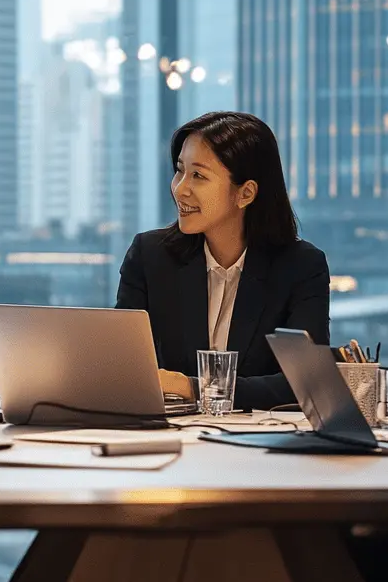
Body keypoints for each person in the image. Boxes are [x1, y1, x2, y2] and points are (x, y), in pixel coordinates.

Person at [116, 111, 330, 411]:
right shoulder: (150, 255)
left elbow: (304, 384)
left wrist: (192, 387)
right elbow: (121, 368)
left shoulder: (301, 267)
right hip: (171, 439)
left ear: (245, 193)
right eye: (180, 171)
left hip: (257, 447)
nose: (180, 189)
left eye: (198, 176)